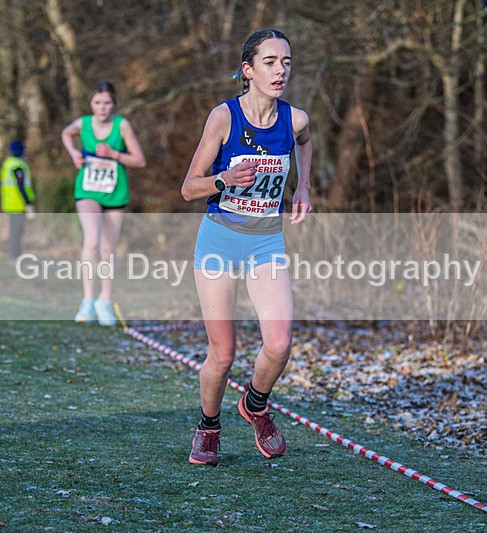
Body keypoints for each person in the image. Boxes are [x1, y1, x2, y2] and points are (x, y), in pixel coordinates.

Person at [180, 28, 313, 465]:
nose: (280, 71)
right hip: (219, 240)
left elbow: (306, 142)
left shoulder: (295, 120)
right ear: (248, 69)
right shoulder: (223, 118)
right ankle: (208, 427)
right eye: (270, 62)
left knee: (279, 343)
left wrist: (303, 186)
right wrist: (224, 180)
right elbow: (187, 188)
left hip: (265, 243)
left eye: (286, 62)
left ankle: (255, 405)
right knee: (223, 354)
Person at [61, 80, 146, 326]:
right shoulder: (83, 123)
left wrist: (114, 155)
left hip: (115, 192)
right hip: (87, 189)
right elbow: (66, 133)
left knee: (108, 248)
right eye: (98, 103)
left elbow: (139, 160)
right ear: (91, 104)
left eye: (107, 103)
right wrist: (73, 153)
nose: (102, 108)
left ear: (114, 104)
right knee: (92, 241)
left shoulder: (122, 126)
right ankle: (87, 300)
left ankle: (104, 301)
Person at [0, 140, 36, 262]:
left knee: (15, 231)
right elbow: (21, 186)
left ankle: (16, 255)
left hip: (9, 203)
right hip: (17, 203)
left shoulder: (8, 163)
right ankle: (15, 256)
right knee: (16, 231)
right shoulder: (17, 165)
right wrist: (28, 203)